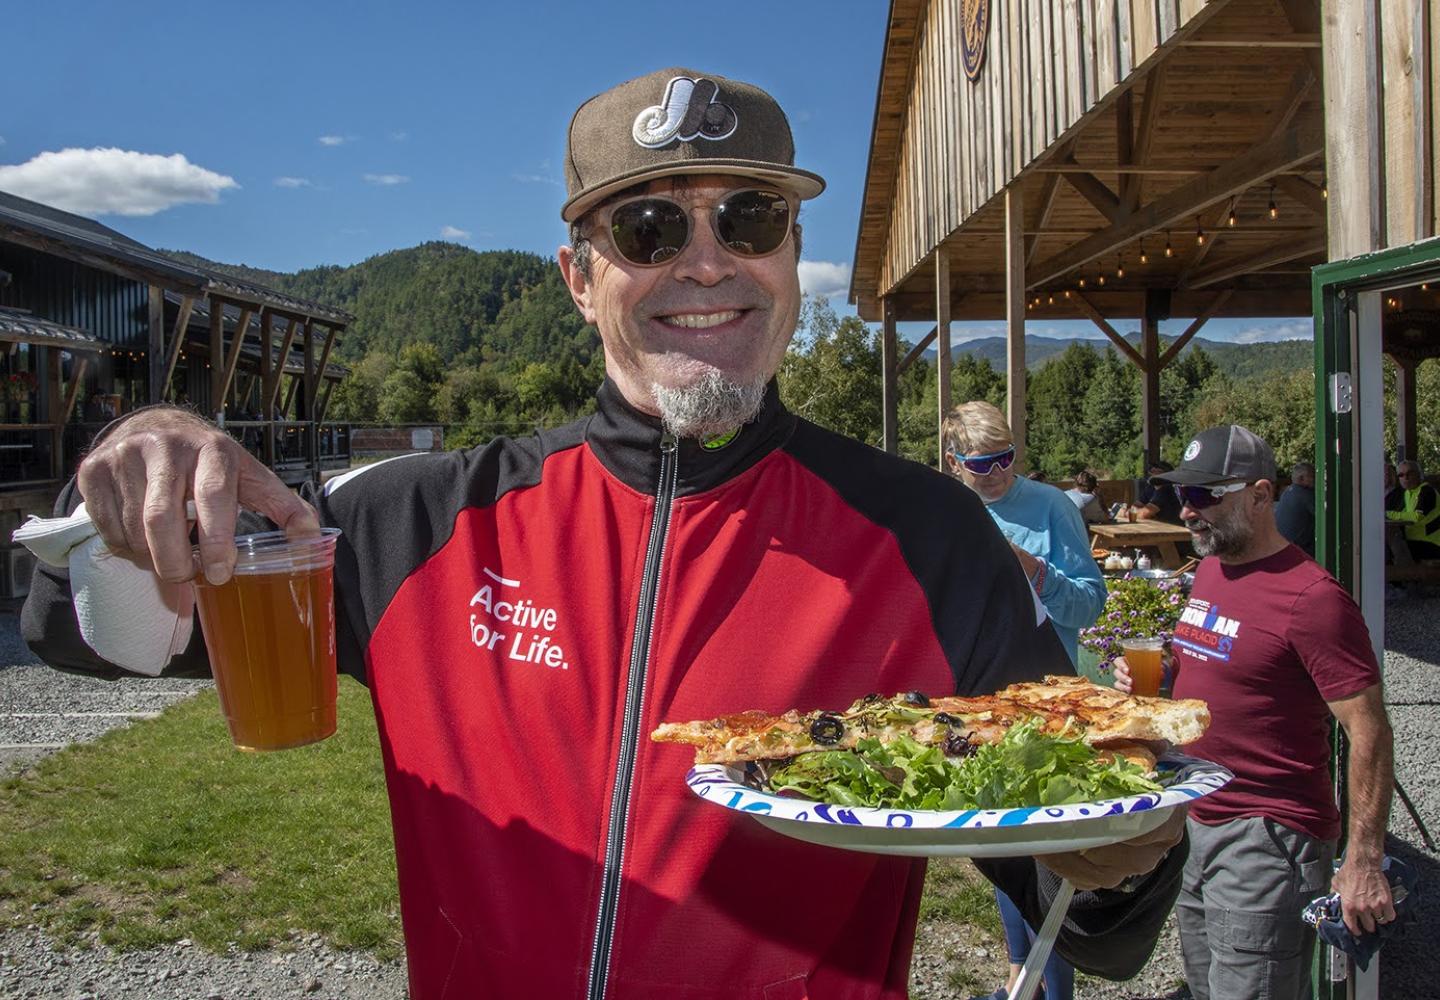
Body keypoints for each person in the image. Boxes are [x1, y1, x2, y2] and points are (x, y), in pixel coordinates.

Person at [22, 68, 1185, 1000]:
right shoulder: (421, 520)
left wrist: (1130, 855)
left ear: (789, 259)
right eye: (645, 228)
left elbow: (1081, 895)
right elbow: (92, 637)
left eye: (752, 216)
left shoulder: (928, 537)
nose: (707, 259)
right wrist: (143, 489)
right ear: (579, 278)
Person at [1112, 424, 1394, 1000]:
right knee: (1205, 985)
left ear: (1261, 495)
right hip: (1198, 815)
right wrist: (1162, 678)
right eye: (1183, 495)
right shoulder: (1214, 567)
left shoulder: (1313, 599)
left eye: (1204, 496)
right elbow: (1221, 671)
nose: (1187, 511)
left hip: (1267, 835)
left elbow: (1369, 732)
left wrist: (1364, 858)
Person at [944, 402, 1108, 1000]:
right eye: (982, 463)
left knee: (1044, 854)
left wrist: (1036, 571)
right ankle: (1023, 977)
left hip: (1051, 698)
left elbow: (1091, 605)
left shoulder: (1050, 507)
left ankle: (1048, 986)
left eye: (1006, 459)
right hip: (982, 698)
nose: (997, 474)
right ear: (953, 460)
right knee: (997, 845)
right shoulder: (949, 507)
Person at [1386, 459, 1440, 561]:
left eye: (1409, 473)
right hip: (1415, 541)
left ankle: (1401, 575)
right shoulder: (1407, 493)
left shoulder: (1427, 491)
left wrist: (1389, 514)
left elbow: (1417, 516)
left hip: (1432, 543)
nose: (1405, 478)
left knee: (1392, 548)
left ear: (1419, 474)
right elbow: (1404, 514)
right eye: (1401, 475)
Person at [1274, 460, 1316, 556]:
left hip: (1282, 547)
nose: (1316, 480)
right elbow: (1325, 518)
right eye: (1313, 476)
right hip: (1299, 551)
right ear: (1301, 478)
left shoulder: (1287, 492)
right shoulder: (1305, 494)